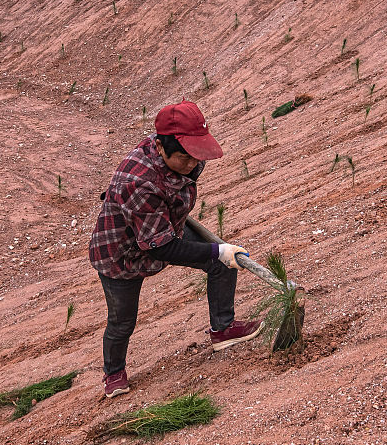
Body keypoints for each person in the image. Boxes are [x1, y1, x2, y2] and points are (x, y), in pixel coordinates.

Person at [89, 101, 262, 399]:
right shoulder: (138, 184)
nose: (193, 164)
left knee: (223, 261)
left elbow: (169, 218)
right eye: (185, 158)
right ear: (160, 147)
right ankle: (113, 372)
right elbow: (161, 248)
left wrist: (215, 251)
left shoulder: (188, 156)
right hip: (121, 256)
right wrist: (214, 252)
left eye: (197, 156)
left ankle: (223, 329)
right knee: (122, 321)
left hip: (165, 227)